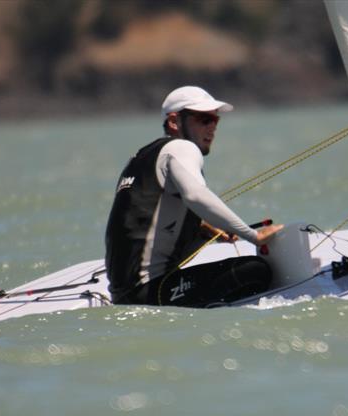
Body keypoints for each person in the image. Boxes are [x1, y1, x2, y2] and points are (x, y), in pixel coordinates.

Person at [104, 86, 283, 307]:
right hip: (153, 294)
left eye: (215, 120)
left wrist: (204, 229)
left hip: (123, 296)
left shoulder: (141, 157)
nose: (212, 127)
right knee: (256, 270)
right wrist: (253, 236)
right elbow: (195, 195)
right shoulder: (181, 148)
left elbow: (144, 217)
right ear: (174, 121)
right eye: (204, 119)